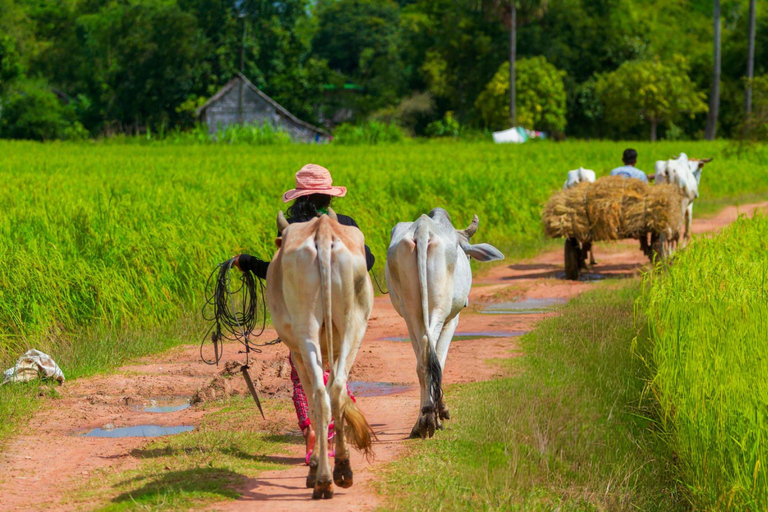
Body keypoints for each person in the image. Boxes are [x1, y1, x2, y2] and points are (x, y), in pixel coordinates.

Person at [233, 163, 374, 464]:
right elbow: (368, 262)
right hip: (340, 315)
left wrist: (247, 261)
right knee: (338, 369)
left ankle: (312, 432)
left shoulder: (290, 231)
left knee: (304, 373)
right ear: (329, 197)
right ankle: (337, 429)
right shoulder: (347, 226)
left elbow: (278, 275)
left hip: (304, 318)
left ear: (300, 198)